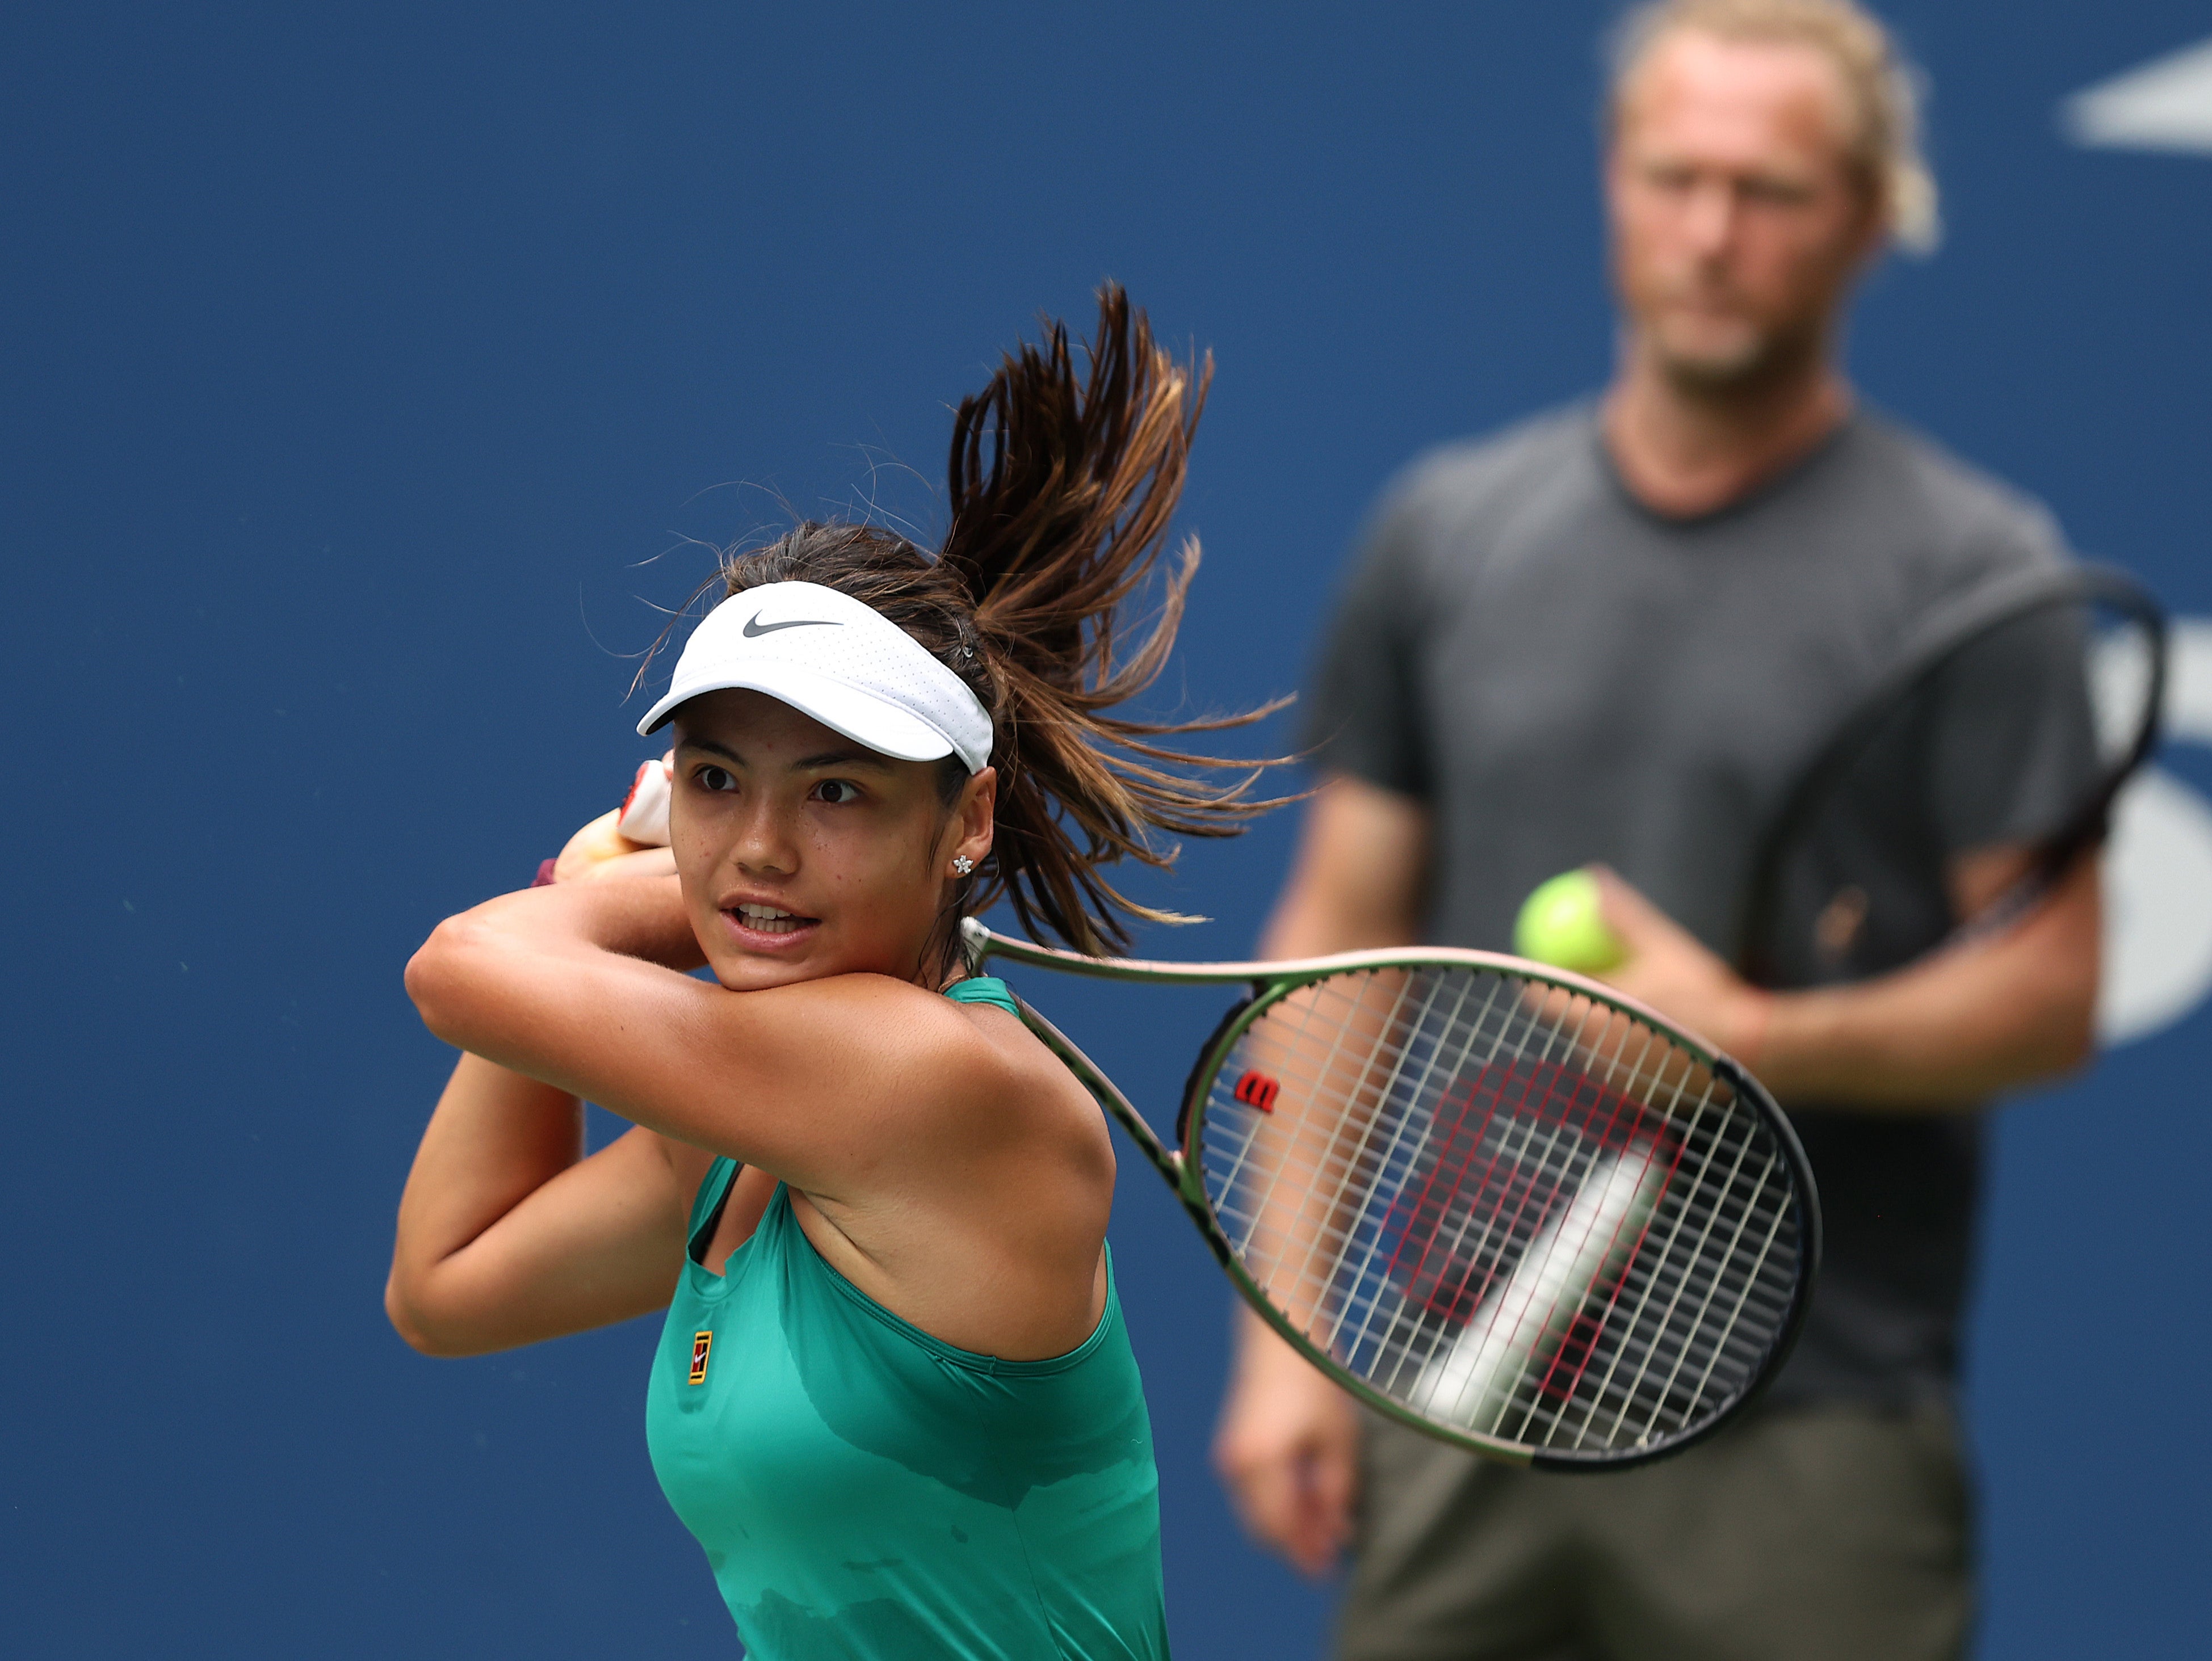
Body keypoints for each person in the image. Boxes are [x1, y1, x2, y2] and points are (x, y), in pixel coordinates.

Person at [1211, 3, 2100, 1658]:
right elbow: (1336, 942)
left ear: (1864, 216)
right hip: (1459, 1396)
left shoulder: (1971, 576)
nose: (1708, 234)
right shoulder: (1444, 536)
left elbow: (2050, 988)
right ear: (1615, 181)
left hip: (1813, 1438)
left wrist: (1761, 1037)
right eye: (1672, 175)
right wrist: (1286, 1333)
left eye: (1766, 191)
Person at [387, 288, 1275, 1659]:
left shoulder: (933, 1081)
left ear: (963, 823)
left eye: (837, 794)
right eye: (716, 780)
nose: (762, 848)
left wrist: (612, 878)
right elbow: (447, 1286)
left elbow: (463, 968)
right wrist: (620, 887)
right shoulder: (742, 1141)